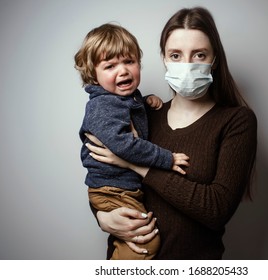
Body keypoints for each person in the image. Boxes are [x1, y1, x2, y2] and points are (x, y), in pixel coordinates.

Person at [85, 7, 257, 260]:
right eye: (176, 55)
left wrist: (138, 166)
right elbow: (105, 177)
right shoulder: (144, 115)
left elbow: (216, 209)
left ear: (215, 60)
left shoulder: (236, 121)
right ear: (164, 59)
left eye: (199, 55)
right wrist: (103, 217)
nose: (186, 65)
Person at [74, 23, 189, 260]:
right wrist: (166, 158)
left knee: (136, 242)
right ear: (93, 76)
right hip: (113, 191)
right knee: (147, 243)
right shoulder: (103, 106)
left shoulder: (122, 99)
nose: (123, 71)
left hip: (119, 188)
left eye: (129, 61)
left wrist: (146, 102)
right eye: (110, 66)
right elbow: (125, 145)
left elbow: (127, 113)